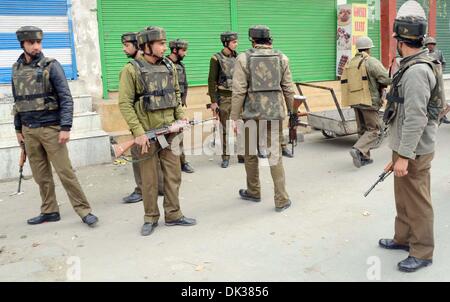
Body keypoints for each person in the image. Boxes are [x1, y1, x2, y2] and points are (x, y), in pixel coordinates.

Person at [379, 1, 445, 272]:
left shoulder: (417, 71)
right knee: (403, 197)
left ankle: (422, 252)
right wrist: (397, 154)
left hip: (415, 149)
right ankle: (404, 238)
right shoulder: (410, 64)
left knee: (417, 200)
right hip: (405, 147)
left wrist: (404, 156)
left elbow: (416, 117)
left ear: (401, 40)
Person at [12, 26, 98, 227]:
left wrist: (65, 127)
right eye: (31, 43)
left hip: (51, 128)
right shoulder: (16, 69)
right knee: (41, 175)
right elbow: (18, 101)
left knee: (65, 173)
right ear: (23, 44)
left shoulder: (51, 65)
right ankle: (49, 210)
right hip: (29, 130)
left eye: (38, 42)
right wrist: (18, 130)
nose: (36, 46)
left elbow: (66, 98)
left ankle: (84, 211)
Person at [118, 26, 196, 236]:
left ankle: (173, 214)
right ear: (146, 46)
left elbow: (176, 95)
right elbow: (125, 104)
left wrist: (181, 117)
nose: (164, 47)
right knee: (149, 180)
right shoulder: (132, 69)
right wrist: (138, 132)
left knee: (173, 176)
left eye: (164, 43)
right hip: (147, 135)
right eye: (160, 43)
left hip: (170, 133)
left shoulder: (169, 66)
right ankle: (150, 217)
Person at [231, 25, 293, 212]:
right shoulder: (282, 58)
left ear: (253, 40)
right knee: (275, 155)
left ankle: (254, 191)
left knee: (250, 153)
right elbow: (288, 87)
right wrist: (291, 111)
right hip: (274, 114)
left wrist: (234, 117)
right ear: (269, 40)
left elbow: (239, 90)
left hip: (251, 113)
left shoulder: (243, 58)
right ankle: (281, 199)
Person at [341, 36, 391, 167]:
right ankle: (358, 149)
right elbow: (385, 79)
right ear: (369, 49)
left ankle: (364, 157)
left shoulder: (351, 62)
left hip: (355, 100)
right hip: (368, 101)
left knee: (363, 130)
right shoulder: (370, 61)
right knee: (374, 130)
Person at [208, 31, 244, 168]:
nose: (236, 44)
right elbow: (211, 80)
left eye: (236, 41)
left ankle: (242, 155)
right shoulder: (216, 58)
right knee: (225, 129)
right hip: (223, 98)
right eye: (234, 42)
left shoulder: (239, 57)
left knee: (241, 127)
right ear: (225, 43)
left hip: (238, 97)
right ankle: (226, 156)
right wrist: (213, 101)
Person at [167, 39, 195, 173]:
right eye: (183, 50)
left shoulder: (181, 65)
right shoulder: (164, 64)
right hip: (167, 107)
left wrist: (183, 100)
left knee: (179, 134)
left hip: (177, 106)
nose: (186, 53)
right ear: (174, 50)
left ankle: (182, 162)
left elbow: (185, 84)